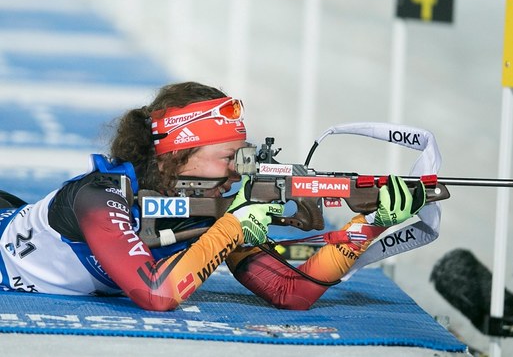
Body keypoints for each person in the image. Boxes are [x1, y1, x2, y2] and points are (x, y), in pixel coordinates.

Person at [0, 81, 426, 311]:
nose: (238, 169)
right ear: (177, 154)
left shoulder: (213, 209)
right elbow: (157, 294)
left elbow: (289, 291)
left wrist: (371, 224)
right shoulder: (97, 197)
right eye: (228, 156)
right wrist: (231, 227)